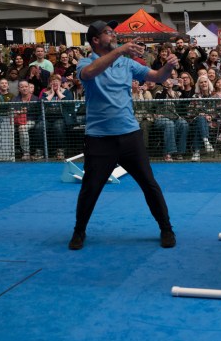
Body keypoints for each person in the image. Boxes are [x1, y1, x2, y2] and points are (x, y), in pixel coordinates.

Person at [68, 20, 178, 251]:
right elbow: (88, 74)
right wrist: (120, 51)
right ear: (95, 40)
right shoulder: (85, 63)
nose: (114, 35)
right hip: (99, 138)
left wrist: (169, 66)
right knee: (90, 189)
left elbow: (158, 76)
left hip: (130, 135)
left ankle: (166, 228)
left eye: (114, 32)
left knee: (149, 184)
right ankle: (79, 231)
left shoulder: (127, 63)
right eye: (108, 33)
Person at [43, 74, 74, 159]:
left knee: (58, 126)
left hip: (62, 118)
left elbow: (68, 103)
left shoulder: (66, 92)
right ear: (50, 84)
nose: (55, 83)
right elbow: (42, 103)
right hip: (47, 118)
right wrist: (52, 93)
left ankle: (61, 150)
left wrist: (58, 92)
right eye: (52, 82)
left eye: (57, 82)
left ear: (60, 83)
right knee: (39, 126)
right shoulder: (45, 93)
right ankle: (39, 150)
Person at [10, 80, 43, 160]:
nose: (24, 88)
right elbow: (11, 112)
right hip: (17, 121)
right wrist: (18, 112)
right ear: (19, 89)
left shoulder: (35, 99)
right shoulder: (15, 99)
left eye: (26, 86)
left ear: (29, 87)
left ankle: (26, 153)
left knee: (22, 128)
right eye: (22, 87)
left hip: (31, 120)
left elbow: (39, 113)